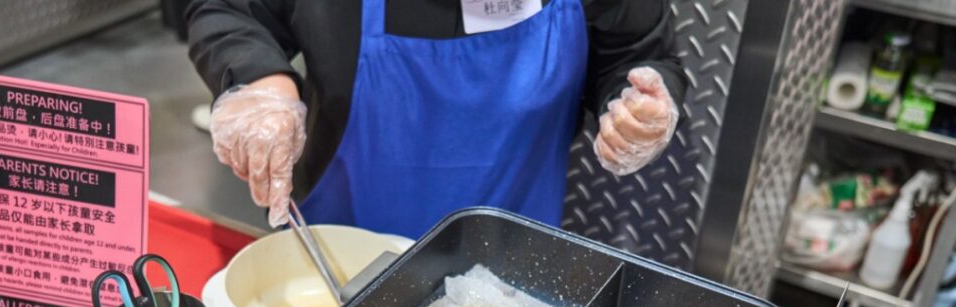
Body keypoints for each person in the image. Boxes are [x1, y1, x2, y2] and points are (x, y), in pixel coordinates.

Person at [187, 0, 686, 238]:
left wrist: (637, 107)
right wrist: (260, 83)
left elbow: (637, 50)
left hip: (512, 272)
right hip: (337, 262)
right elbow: (228, 10)